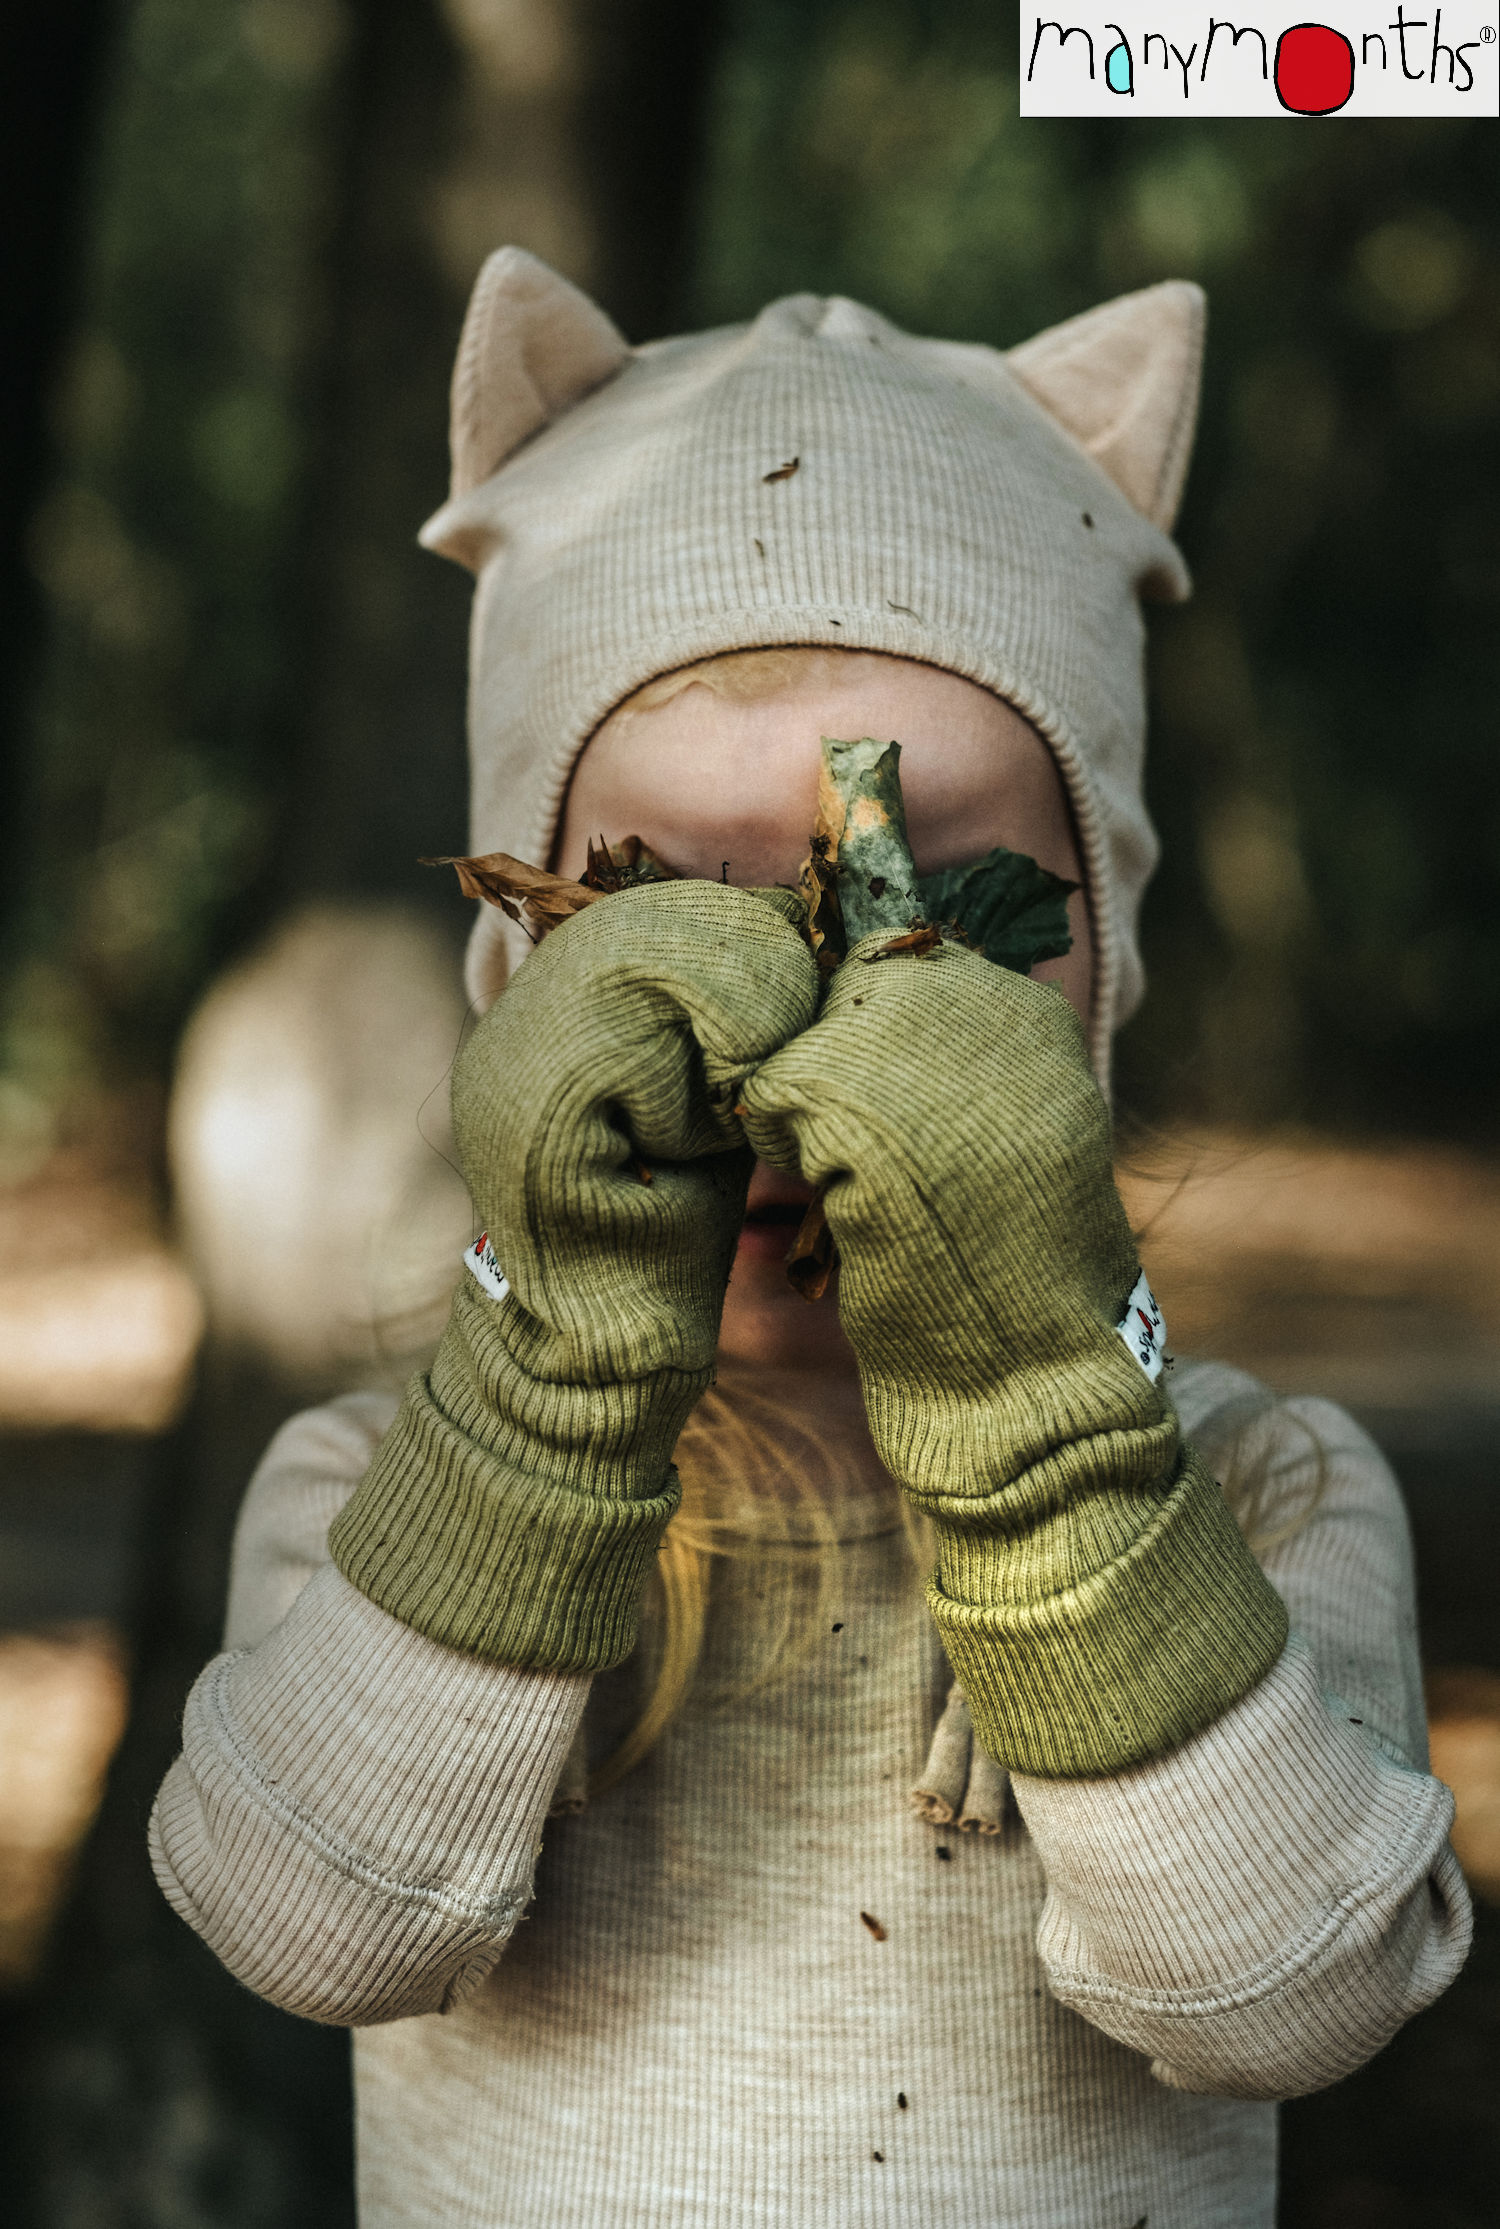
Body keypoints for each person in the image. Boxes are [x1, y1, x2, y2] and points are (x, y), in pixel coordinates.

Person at [150, 250, 1470, 2229]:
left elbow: (1292, 1991)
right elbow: (310, 1923)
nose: (790, 1044)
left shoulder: (1257, 1492)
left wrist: (1050, 1421)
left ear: (1095, 978)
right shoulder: (371, 1493)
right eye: (655, 906)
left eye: (914, 903)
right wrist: (548, 1386)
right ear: (517, 978)